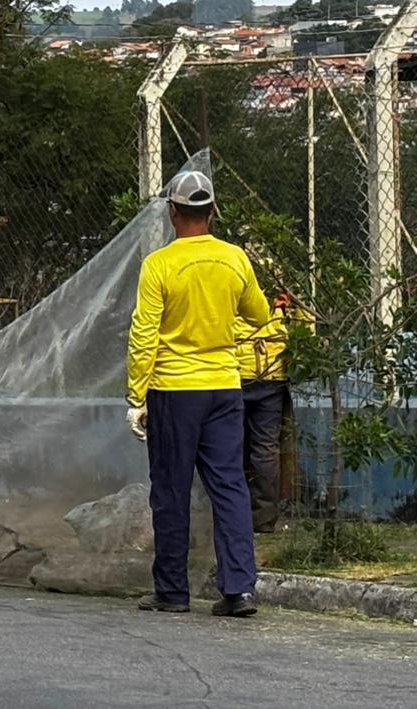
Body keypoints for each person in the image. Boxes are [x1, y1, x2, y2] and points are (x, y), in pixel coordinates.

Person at [125, 170, 270, 617]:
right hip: (224, 387)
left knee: (171, 488)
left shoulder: (160, 265)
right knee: (229, 486)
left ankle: (172, 591)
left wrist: (136, 395)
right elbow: (259, 312)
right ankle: (239, 590)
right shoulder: (234, 259)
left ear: (173, 212)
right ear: (212, 212)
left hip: (174, 390)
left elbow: (144, 333)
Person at [235, 290, 304, 533]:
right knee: (265, 449)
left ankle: (232, 514)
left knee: (231, 446)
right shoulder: (282, 283)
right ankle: (263, 519)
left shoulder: (232, 271)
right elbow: (304, 327)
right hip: (274, 372)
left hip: (235, 371)